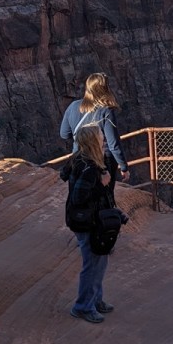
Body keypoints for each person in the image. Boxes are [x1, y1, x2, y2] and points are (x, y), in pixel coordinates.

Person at [60, 125, 118, 323]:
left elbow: (63, 175)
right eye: (101, 136)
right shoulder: (89, 167)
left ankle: (95, 300)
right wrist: (101, 185)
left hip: (85, 221)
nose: (104, 139)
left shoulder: (80, 159)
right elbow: (79, 197)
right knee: (93, 264)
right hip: (88, 222)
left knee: (99, 261)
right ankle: (83, 306)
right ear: (94, 141)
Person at [60, 73, 129, 185]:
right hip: (103, 161)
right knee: (104, 196)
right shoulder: (106, 111)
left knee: (80, 193)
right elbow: (113, 144)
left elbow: (64, 134)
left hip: (79, 157)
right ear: (105, 89)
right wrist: (124, 167)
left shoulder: (73, 106)